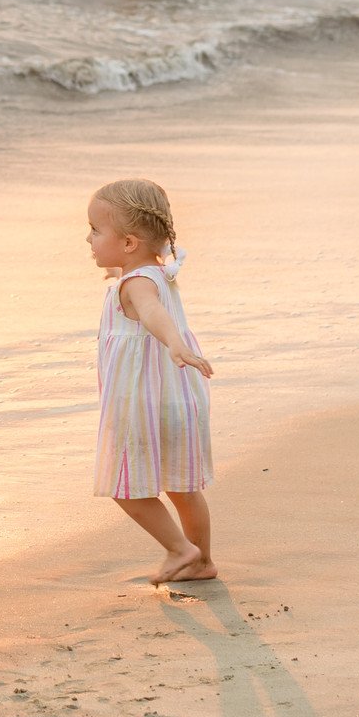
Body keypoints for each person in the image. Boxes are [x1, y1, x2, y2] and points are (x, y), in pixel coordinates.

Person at [85, 178, 217, 585]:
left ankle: (180, 550)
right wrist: (117, 269)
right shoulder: (154, 272)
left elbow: (151, 312)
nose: (88, 239)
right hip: (175, 396)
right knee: (182, 487)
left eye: (95, 230)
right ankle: (201, 562)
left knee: (124, 485)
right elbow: (150, 299)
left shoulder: (137, 284)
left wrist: (175, 342)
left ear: (128, 242)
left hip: (141, 401)